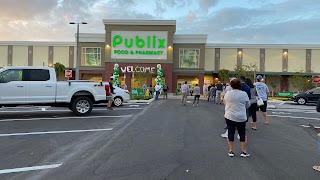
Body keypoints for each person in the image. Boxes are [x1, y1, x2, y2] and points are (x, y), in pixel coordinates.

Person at [224, 78, 250, 157]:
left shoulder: (228, 93)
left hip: (229, 115)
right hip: (241, 116)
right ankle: (243, 151)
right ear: (240, 86)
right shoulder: (244, 94)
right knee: (242, 133)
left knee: (230, 132)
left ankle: (231, 151)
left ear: (231, 85)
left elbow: (224, 102)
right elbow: (247, 105)